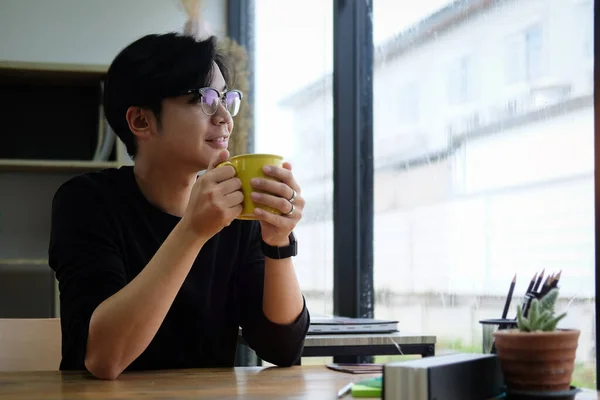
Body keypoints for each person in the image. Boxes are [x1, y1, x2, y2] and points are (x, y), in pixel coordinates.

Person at [48, 32, 309, 380]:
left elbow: (282, 349)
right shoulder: (86, 202)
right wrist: (192, 230)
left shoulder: (234, 208)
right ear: (141, 121)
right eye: (204, 99)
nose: (224, 118)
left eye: (225, 99)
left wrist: (278, 242)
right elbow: (104, 358)